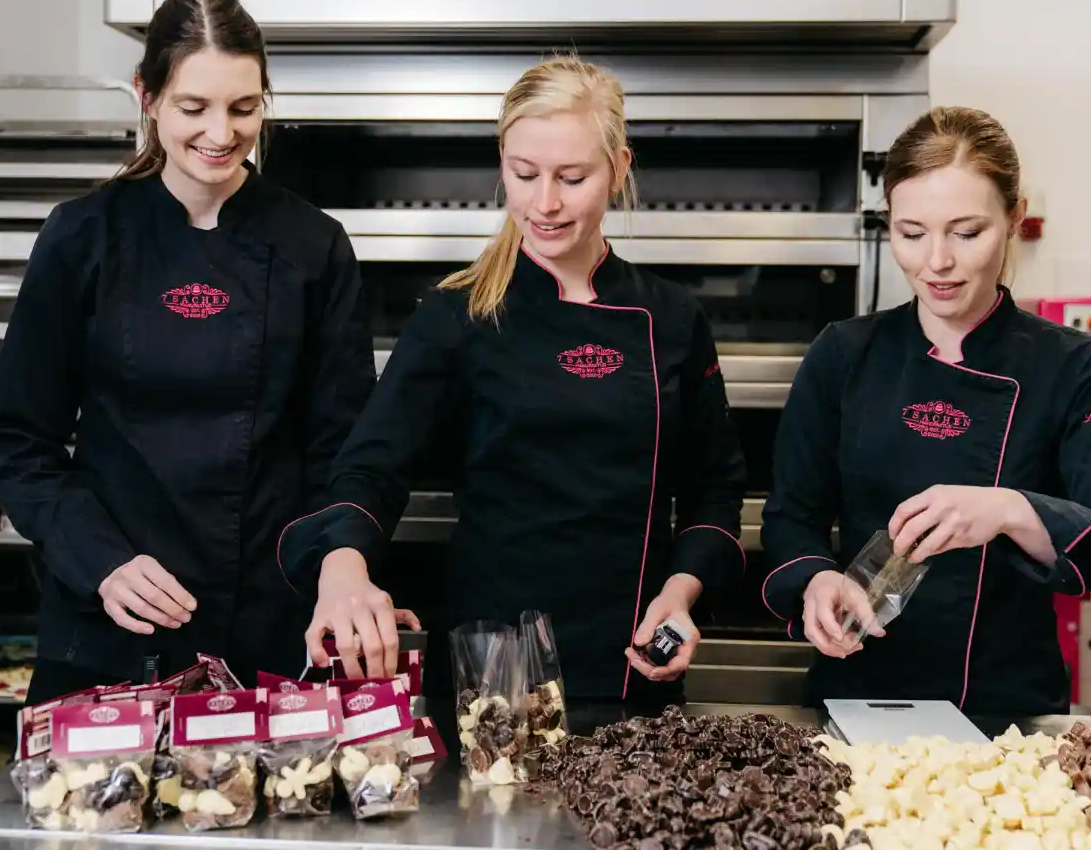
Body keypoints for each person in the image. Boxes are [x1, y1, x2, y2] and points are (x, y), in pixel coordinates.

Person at [277, 55, 747, 702]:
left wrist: (680, 591)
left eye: (572, 177)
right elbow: (369, 468)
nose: (544, 203)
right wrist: (343, 569)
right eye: (524, 174)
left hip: (633, 661)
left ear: (619, 171)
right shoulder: (457, 314)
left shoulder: (671, 317)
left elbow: (715, 491)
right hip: (492, 671)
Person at [0, 0, 381, 702]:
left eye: (244, 107)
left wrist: (342, 562)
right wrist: (100, 560)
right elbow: (16, 440)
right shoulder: (83, 237)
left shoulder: (313, 246)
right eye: (194, 108)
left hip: (267, 624)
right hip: (108, 626)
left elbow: (344, 450)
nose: (221, 133)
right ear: (148, 96)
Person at [760, 106, 1091, 716]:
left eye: (966, 232)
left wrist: (1010, 508)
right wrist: (817, 580)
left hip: (1007, 714)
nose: (937, 263)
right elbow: (792, 516)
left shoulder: (1072, 366)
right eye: (911, 232)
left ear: (1014, 220)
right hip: (855, 698)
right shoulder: (844, 355)